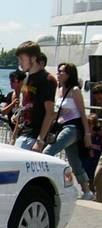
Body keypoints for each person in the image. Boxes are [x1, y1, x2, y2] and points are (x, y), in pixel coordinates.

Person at [43, 62, 93, 200]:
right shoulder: (60, 90)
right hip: (61, 126)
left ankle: (48, 182)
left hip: (72, 128)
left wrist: (87, 133)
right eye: (58, 71)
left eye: (61, 72)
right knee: (74, 161)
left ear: (69, 74)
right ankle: (87, 191)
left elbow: (83, 113)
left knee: (48, 152)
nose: (58, 74)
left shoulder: (75, 90)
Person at [13, 41, 55, 152]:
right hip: (22, 132)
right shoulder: (27, 79)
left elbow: (50, 113)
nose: (19, 63)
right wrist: (13, 137)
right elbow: (24, 107)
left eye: (22, 59)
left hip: (34, 136)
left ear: (33, 58)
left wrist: (40, 140)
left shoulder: (47, 79)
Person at [1, 70, 26, 139]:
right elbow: (3, 112)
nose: (10, 83)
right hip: (13, 131)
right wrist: (12, 105)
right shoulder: (10, 95)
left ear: (21, 82)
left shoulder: (27, 96)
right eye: (10, 80)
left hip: (23, 132)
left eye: (13, 81)